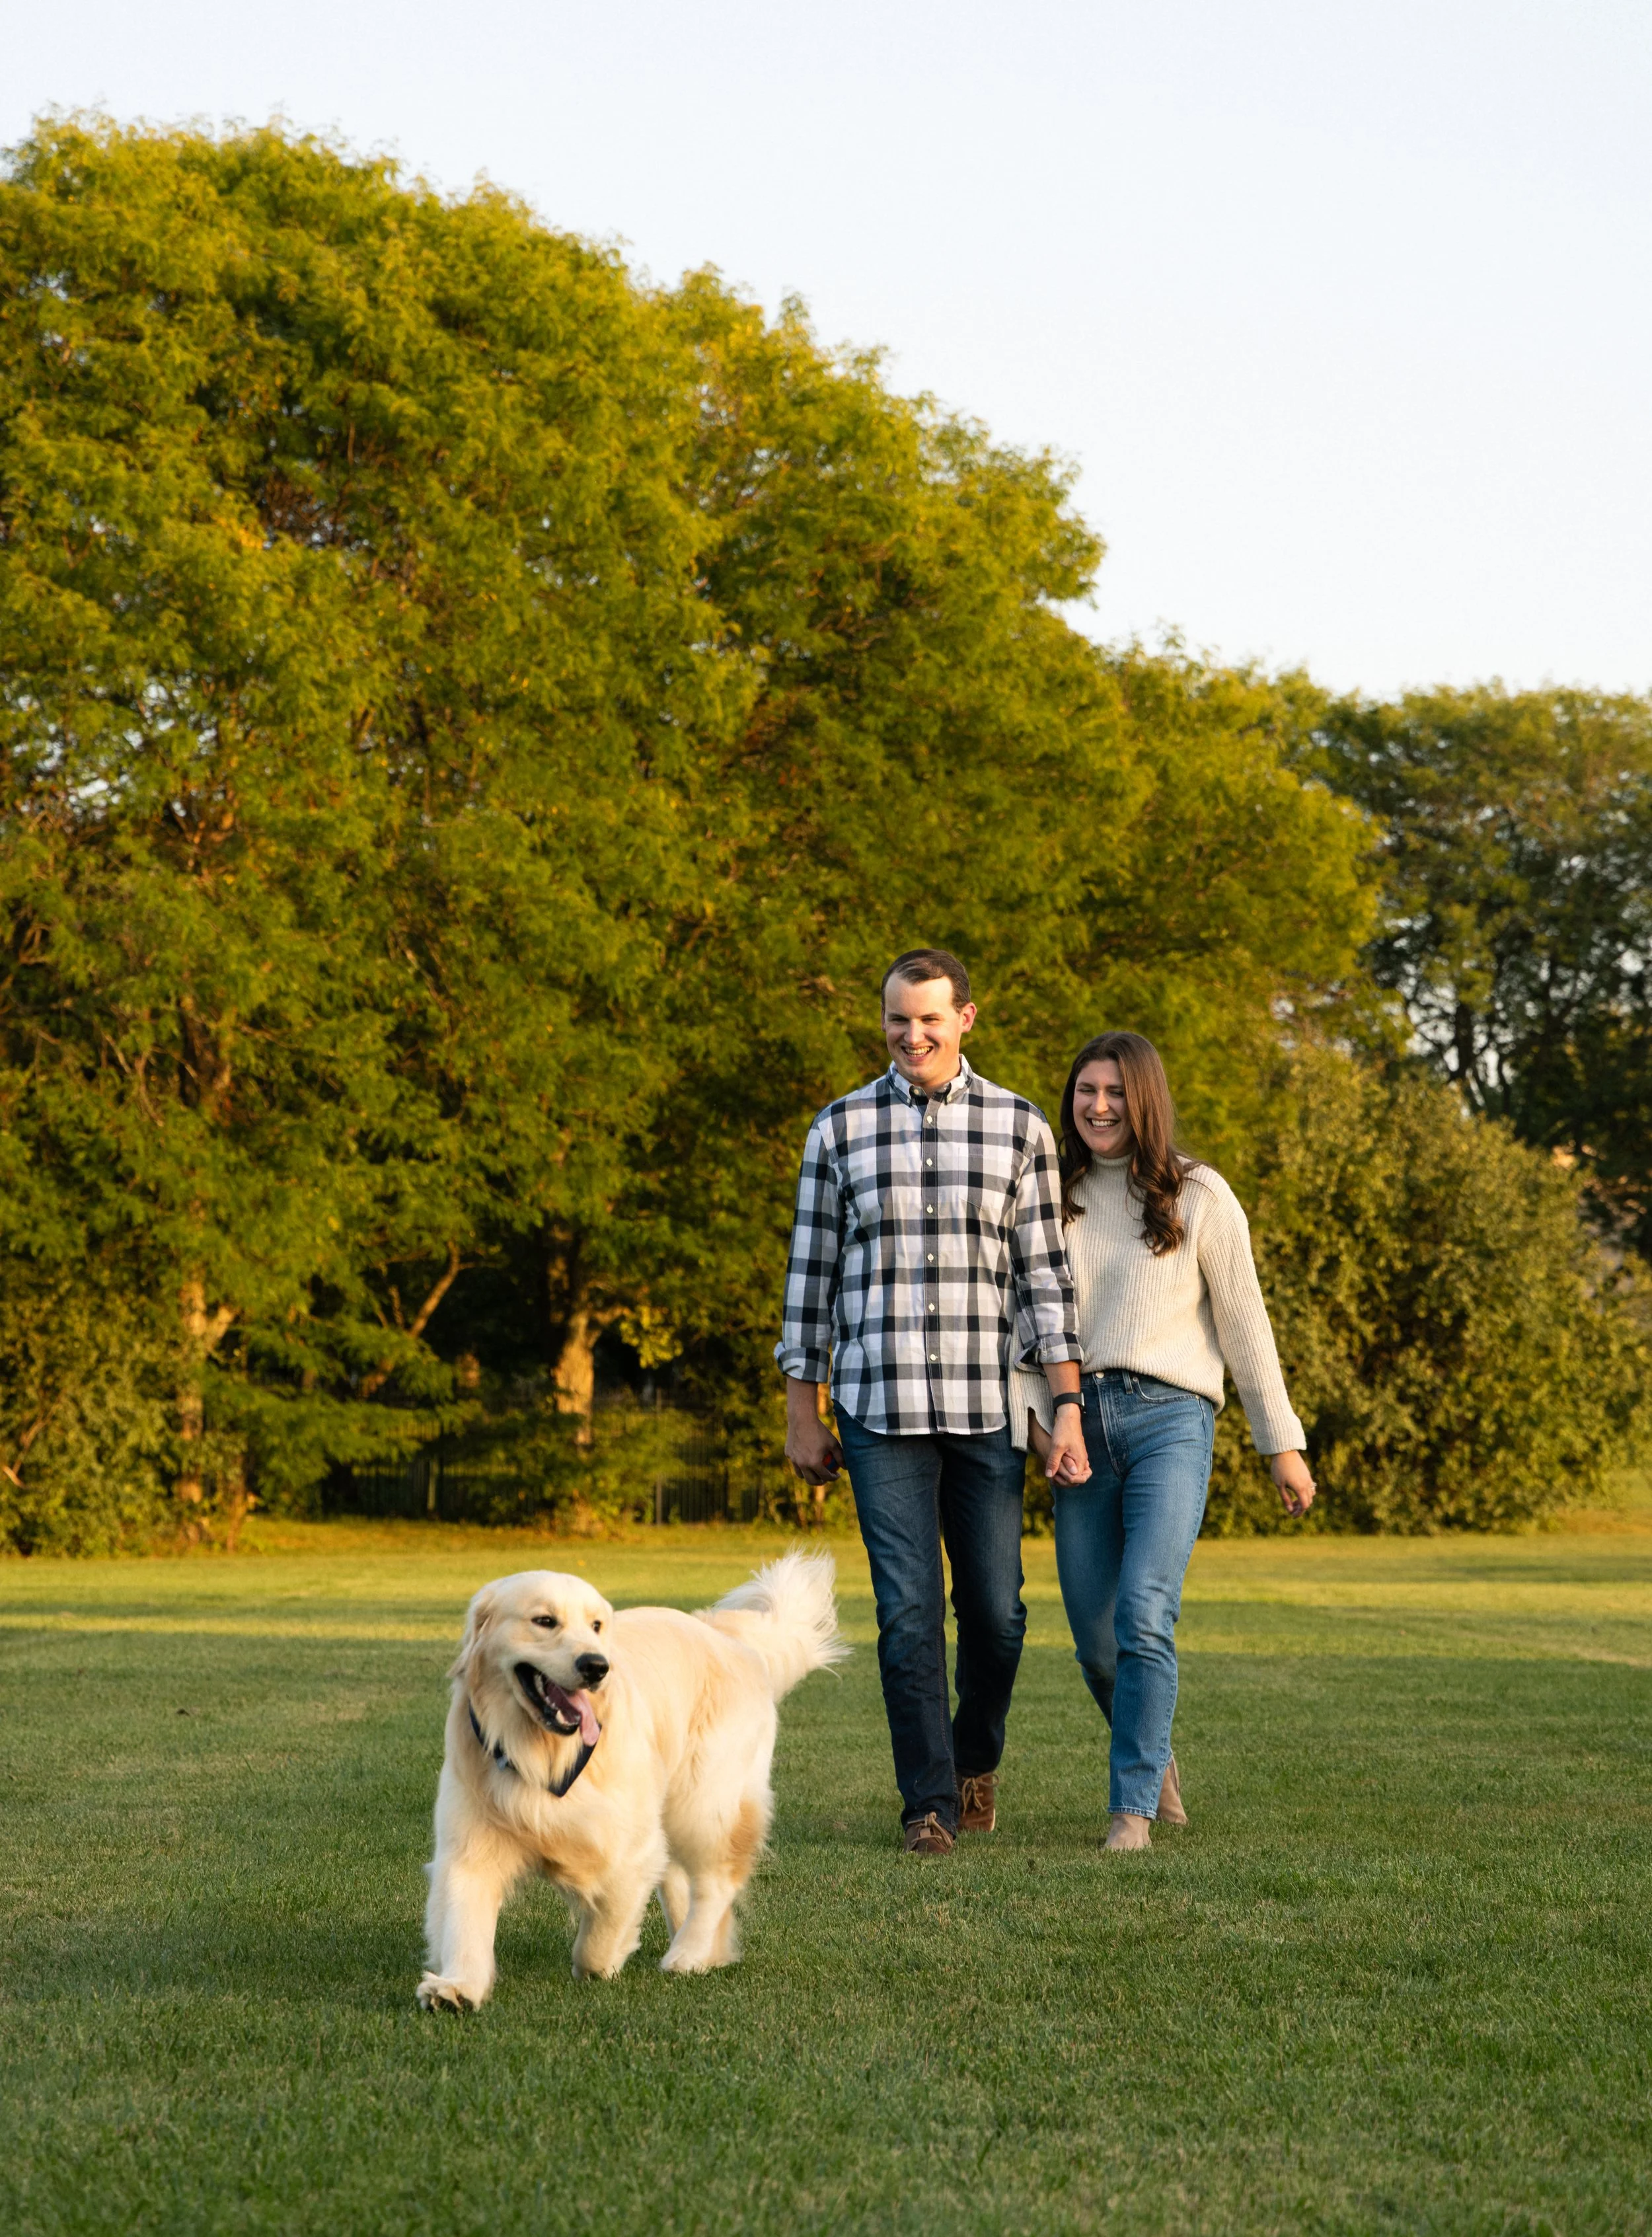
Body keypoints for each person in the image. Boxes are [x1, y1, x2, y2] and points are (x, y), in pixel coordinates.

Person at [776, 949, 1091, 1856]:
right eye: (895, 1022)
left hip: (985, 1407)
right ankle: (928, 1805)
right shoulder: (838, 1130)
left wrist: (1065, 1406)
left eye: (928, 1020)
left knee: (996, 1613)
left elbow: (1046, 1283)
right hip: (879, 1410)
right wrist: (806, 1407)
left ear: (966, 1019)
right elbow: (811, 1278)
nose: (911, 1036)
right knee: (908, 1608)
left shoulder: (1020, 1129)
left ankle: (973, 1759)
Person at [1010, 1031, 1316, 1852]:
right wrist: (1040, 1431)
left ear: (1144, 1098)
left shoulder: (1199, 1195)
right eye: (1084, 1091)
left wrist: (1278, 1442)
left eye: (1114, 1091)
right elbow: (1023, 1330)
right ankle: (1155, 1754)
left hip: (1169, 1418)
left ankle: (1132, 1809)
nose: (1098, 1105)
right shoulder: (1047, 1197)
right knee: (1097, 1643)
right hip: (1078, 1426)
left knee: (1146, 1611)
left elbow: (1244, 1324)